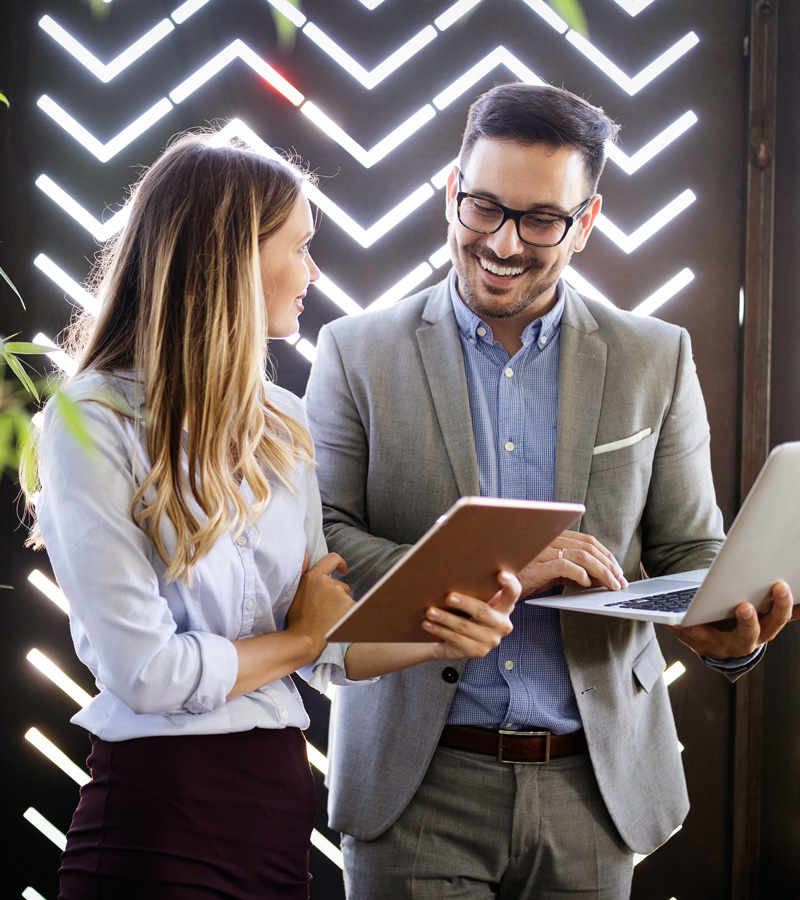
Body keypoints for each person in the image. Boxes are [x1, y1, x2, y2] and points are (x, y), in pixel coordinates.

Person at [304, 83, 796, 900]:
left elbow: (689, 550)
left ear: (588, 221)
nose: (503, 242)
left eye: (540, 220)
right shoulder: (356, 353)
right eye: (485, 208)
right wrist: (509, 566)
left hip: (592, 788)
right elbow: (322, 543)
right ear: (451, 194)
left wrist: (728, 627)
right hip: (415, 779)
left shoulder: (655, 357)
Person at [27, 132, 521, 900]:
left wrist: (443, 635)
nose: (313, 272)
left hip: (276, 820)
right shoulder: (90, 420)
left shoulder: (282, 423)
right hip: (157, 822)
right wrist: (298, 638)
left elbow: (328, 649)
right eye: (299, 247)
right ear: (230, 259)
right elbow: (148, 673)